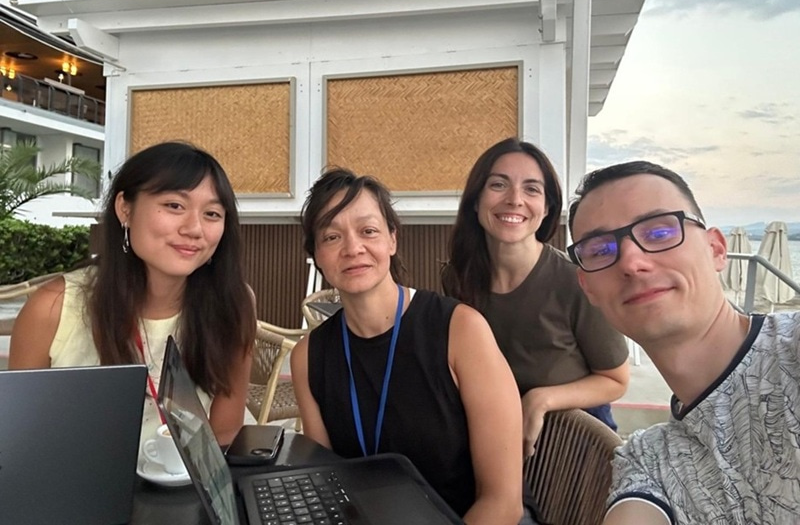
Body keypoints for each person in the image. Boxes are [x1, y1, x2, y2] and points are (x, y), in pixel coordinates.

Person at [567, 160, 800, 525]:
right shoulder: (649, 462)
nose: (631, 261)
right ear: (587, 288)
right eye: (600, 250)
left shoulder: (793, 349)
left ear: (716, 250)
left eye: (659, 233)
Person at [291, 168, 525, 525]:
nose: (353, 248)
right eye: (332, 237)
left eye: (368, 231)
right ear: (317, 256)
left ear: (392, 240)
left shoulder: (460, 330)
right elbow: (326, 483)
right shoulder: (309, 356)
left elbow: (503, 503)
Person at [9, 141, 255, 448]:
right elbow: (18, 437)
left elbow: (223, 435)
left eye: (212, 213)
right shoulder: (53, 309)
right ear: (125, 208)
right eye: (174, 206)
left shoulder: (232, 305)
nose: (195, 228)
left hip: (185, 489)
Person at [442, 137, 629, 456]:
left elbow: (615, 379)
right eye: (498, 185)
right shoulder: (458, 278)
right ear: (476, 200)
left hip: (574, 451)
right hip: (491, 443)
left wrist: (540, 399)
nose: (514, 199)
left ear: (546, 210)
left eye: (531, 189)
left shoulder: (577, 280)